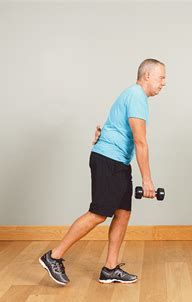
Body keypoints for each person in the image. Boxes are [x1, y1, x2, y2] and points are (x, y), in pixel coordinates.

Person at [39, 58, 166, 285]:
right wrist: (147, 181)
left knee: (123, 212)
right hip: (109, 160)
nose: (163, 83)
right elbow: (140, 141)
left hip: (117, 161)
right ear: (147, 75)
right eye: (161, 77)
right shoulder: (137, 96)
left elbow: (115, 126)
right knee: (99, 213)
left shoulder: (134, 96)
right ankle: (54, 256)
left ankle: (110, 269)